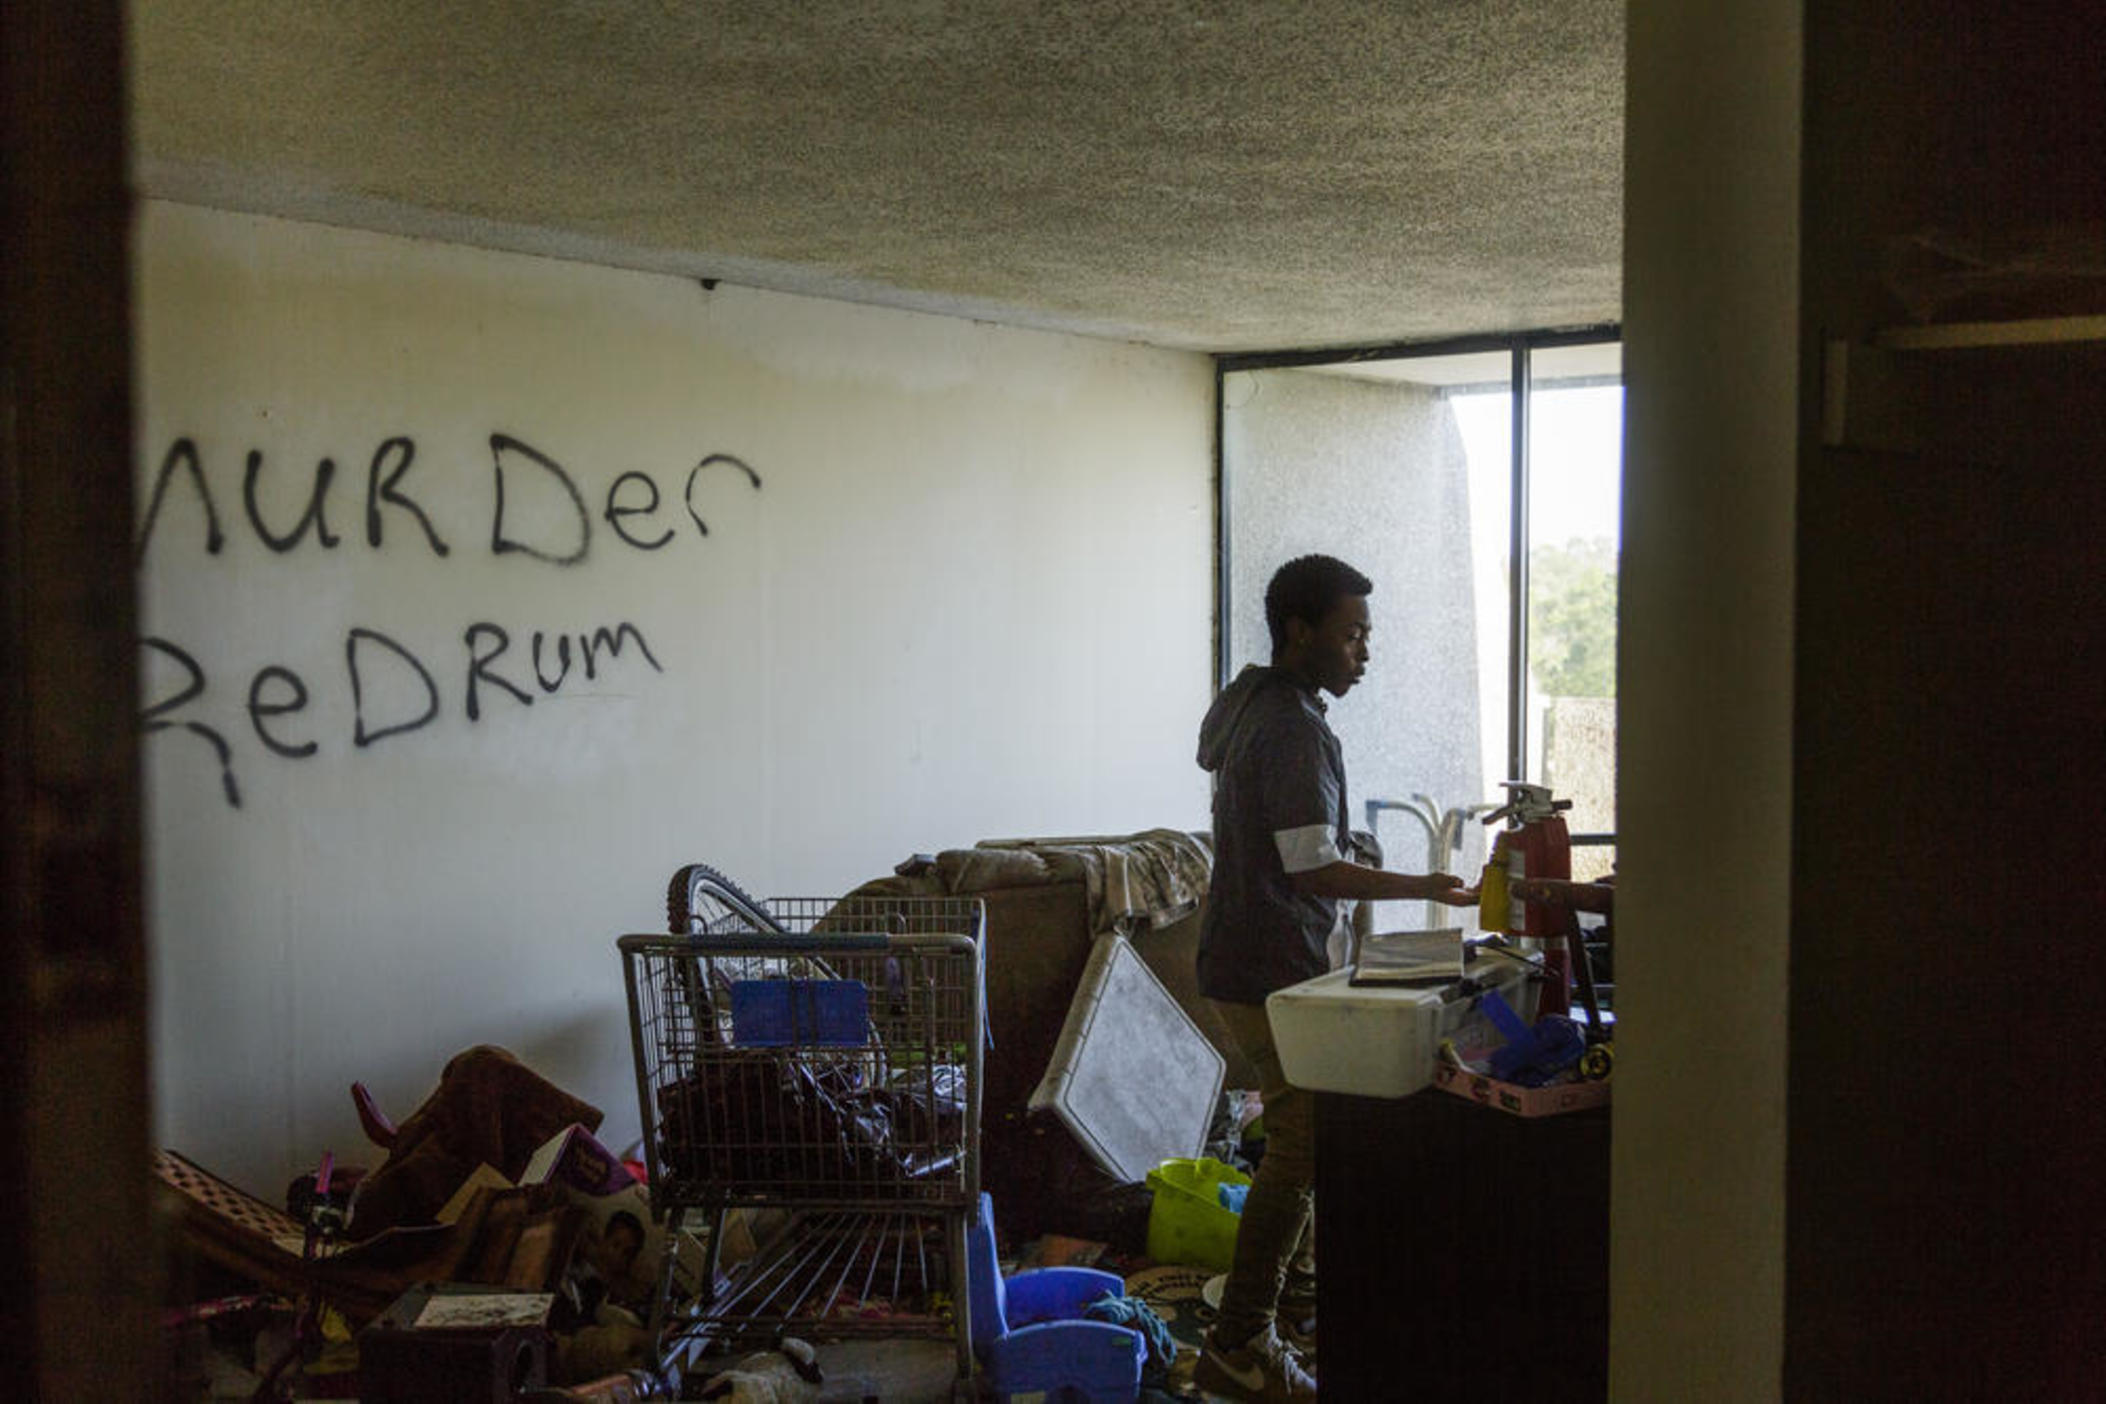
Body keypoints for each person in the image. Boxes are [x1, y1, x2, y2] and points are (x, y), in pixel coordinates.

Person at [1192, 553, 1478, 1402]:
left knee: (1313, 1134)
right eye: (1352, 636)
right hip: (1267, 965)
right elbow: (1311, 869)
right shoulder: (1296, 727)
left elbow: (1291, 841)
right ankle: (1241, 1339)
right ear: (1299, 632)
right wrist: (1425, 885)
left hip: (1242, 954)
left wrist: (1353, 855)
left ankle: (1299, 1305)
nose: (1364, 652)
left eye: (1368, 636)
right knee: (1304, 1140)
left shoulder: (1249, 703)